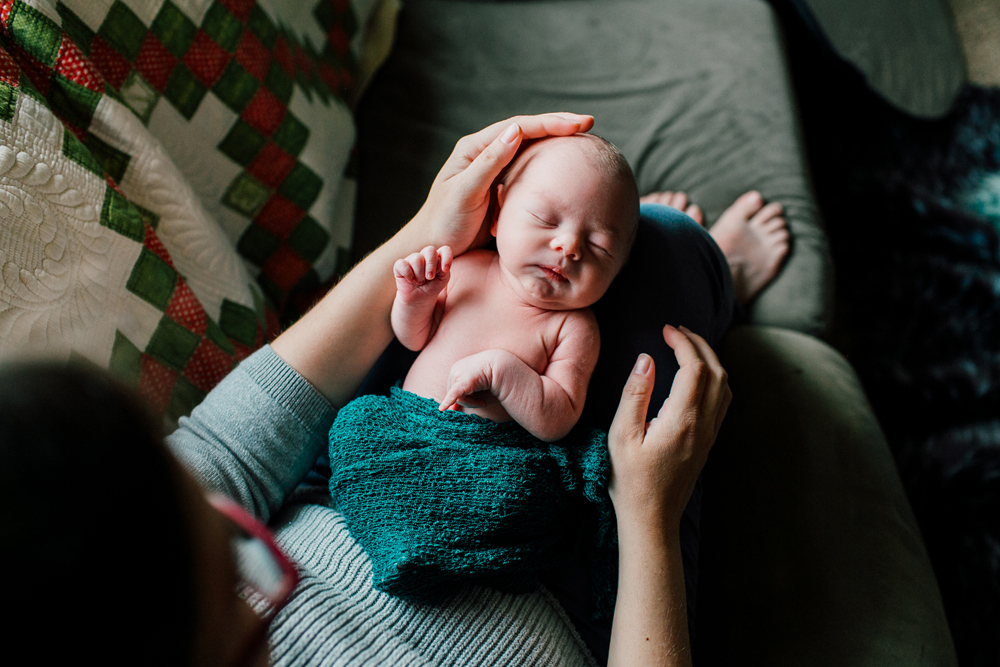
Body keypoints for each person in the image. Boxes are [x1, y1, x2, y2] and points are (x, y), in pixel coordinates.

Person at [2, 113, 731, 667]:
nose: (249, 521)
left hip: (383, 465)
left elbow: (222, 448)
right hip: (538, 564)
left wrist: (424, 232)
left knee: (655, 238)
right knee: (680, 255)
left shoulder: (91, 511)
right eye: (231, 561)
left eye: (191, 489)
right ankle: (728, 282)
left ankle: (717, 275)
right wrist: (647, 516)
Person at [390, 134, 638, 440]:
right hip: (406, 427)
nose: (569, 246)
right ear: (498, 212)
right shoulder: (464, 269)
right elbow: (413, 339)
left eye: (598, 245)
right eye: (545, 219)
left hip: (490, 458)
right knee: (356, 424)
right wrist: (415, 299)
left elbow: (559, 420)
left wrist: (503, 373)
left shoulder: (573, 328)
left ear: (617, 273)